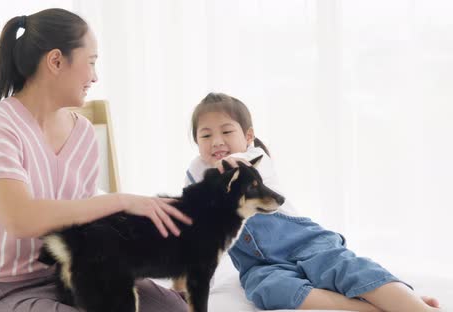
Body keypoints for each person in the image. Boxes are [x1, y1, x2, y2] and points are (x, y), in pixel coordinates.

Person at [0, 9, 192, 312]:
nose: (95, 76)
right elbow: (20, 219)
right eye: (91, 62)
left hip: (70, 276)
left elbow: (83, 225)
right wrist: (120, 201)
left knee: (172, 309)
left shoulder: (84, 134)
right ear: (55, 61)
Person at [184, 92, 441, 311]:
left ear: (248, 135)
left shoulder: (255, 158)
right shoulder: (193, 180)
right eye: (205, 136)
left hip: (303, 243)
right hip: (260, 265)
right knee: (268, 290)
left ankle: (413, 306)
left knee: (347, 269)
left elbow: (235, 171)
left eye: (226, 131)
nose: (216, 141)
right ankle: (370, 308)